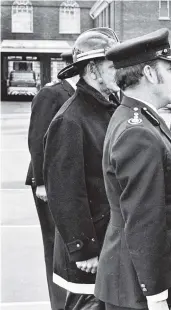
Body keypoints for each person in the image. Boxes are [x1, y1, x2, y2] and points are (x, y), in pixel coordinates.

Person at [95, 28, 171, 310]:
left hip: (132, 274)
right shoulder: (139, 131)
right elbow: (143, 218)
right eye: (169, 68)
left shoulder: (137, 118)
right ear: (150, 73)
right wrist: (155, 292)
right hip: (136, 283)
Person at [43, 27, 120, 309]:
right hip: (89, 249)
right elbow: (65, 192)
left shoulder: (109, 107)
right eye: (113, 66)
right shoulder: (71, 119)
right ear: (92, 69)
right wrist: (82, 249)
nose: (120, 72)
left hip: (108, 239)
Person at [25, 50, 77, 310]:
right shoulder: (52, 93)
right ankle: (58, 304)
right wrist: (41, 181)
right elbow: (37, 138)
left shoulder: (88, 95)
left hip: (71, 181)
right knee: (54, 247)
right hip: (49, 182)